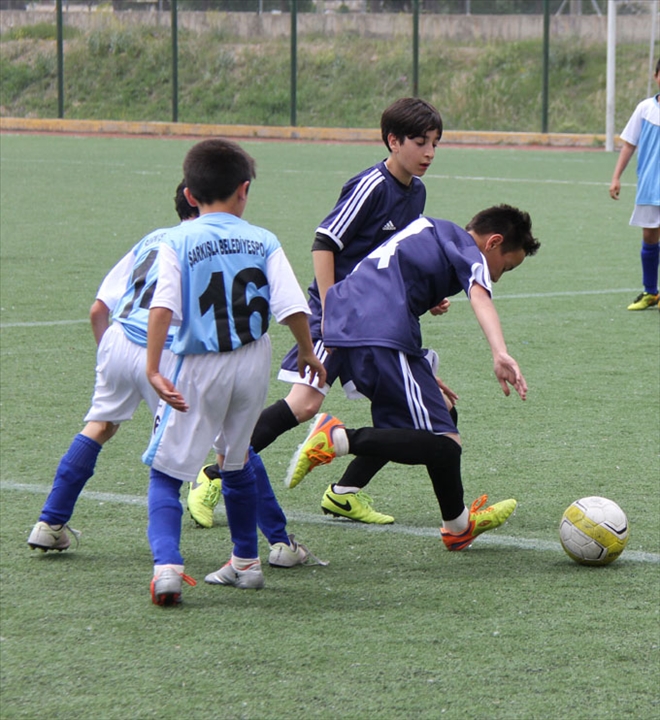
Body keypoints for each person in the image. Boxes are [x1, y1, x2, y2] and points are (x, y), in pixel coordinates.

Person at [191, 97, 446, 527]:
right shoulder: (371, 186)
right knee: (305, 403)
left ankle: (344, 494)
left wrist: (423, 297)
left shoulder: (416, 194)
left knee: (406, 409)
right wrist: (331, 309)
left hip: (375, 321)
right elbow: (325, 243)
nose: (429, 154)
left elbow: (392, 260)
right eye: (420, 143)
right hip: (339, 315)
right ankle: (211, 476)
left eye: (436, 144)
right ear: (392, 141)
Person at [286, 205, 541, 552]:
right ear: (494, 243)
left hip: (355, 322)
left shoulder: (435, 228)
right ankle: (338, 438)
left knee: (445, 412)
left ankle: (454, 525)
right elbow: (480, 297)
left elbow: (397, 269)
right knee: (444, 444)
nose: (498, 276)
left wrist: (429, 298)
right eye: (506, 267)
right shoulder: (471, 252)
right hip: (382, 331)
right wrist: (499, 352)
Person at [143, 138, 327, 605]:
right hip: (252, 361)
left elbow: (163, 305)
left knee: (166, 471)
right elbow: (291, 306)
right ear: (244, 190)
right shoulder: (263, 239)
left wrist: (153, 366)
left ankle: (167, 568)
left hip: (199, 364)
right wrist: (306, 352)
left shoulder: (177, 239)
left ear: (189, 194)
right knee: (238, 457)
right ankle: (246, 562)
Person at [27, 181, 198, 553]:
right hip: (165, 349)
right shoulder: (204, 242)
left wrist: (109, 355)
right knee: (222, 440)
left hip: (118, 339)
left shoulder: (152, 239)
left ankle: (49, 521)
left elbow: (97, 310)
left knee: (100, 425)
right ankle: (270, 545)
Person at [609, 58, 660, 311]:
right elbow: (629, 144)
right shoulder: (645, 108)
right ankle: (651, 292)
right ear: (656, 76)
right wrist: (616, 176)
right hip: (650, 186)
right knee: (649, 237)